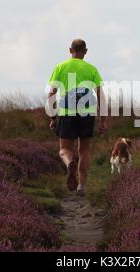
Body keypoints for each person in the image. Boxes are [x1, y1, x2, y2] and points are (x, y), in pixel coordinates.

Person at [47, 39, 107, 196]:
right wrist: (103, 119)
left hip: (67, 113)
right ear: (85, 51)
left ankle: (69, 163)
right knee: (84, 150)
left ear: (70, 50)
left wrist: (53, 117)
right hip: (87, 113)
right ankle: (82, 187)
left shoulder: (60, 67)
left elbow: (51, 93)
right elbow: (100, 95)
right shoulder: (91, 69)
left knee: (64, 150)